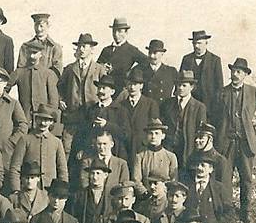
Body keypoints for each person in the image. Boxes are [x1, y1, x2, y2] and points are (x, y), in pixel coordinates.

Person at [217, 57, 256, 223]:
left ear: (245, 74)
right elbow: (215, 115)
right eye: (233, 71)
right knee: (225, 178)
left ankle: (245, 213)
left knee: (246, 178)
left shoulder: (253, 91)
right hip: (226, 142)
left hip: (245, 143)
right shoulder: (222, 92)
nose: (235, 74)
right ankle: (226, 212)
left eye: (239, 72)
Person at [59, 33, 109, 162]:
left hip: (91, 116)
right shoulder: (70, 69)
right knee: (67, 149)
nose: (81, 49)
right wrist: (61, 100)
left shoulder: (99, 69)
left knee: (89, 149)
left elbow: (106, 88)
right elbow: (60, 87)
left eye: (85, 46)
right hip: (72, 116)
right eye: (79, 46)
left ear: (91, 49)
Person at [7, 105, 67, 193]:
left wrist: (62, 191)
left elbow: (62, 170)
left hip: (49, 193)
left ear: (51, 122)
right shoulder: (25, 140)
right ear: (36, 119)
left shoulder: (56, 142)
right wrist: (16, 190)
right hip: (27, 191)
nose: (43, 123)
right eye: (40, 119)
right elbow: (15, 167)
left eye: (46, 120)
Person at [12, 42, 61, 137]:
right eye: (29, 53)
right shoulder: (19, 72)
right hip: (24, 119)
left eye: (35, 53)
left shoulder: (48, 74)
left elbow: (53, 101)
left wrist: (50, 122)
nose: (32, 56)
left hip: (42, 121)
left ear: (41, 54)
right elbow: (4, 88)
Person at [160, 71, 208, 167]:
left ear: (192, 87)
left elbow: (201, 132)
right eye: (178, 85)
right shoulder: (167, 104)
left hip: (188, 151)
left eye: (184, 85)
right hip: (168, 149)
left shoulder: (199, 107)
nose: (180, 88)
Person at [114, 66, 160, 164]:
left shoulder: (150, 104)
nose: (132, 87)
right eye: (130, 84)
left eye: (135, 84)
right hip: (124, 150)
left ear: (141, 86)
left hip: (143, 148)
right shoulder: (121, 105)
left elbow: (154, 128)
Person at [179, 30, 224, 126]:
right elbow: (180, 81)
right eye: (194, 43)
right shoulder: (186, 59)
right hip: (190, 104)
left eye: (199, 43)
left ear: (206, 43)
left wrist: (215, 107)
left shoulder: (215, 60)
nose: (196, 46)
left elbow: (219, 86)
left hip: (209, 106)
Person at [186, 152, 233, 223]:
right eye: (197, 165)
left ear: (210, 169)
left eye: (203, 165)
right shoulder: (187, 185)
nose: (199, 168)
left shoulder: (218, 188)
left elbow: (229, 210)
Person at [96, 17, 149, 93]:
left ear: (126, 32)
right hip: (106, 90)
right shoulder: (106, 50)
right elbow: (97, 67)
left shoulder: (131, 49)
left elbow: (146, 61)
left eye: (120, 31)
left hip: (121, 89)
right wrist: (103, 67)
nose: (116, 34)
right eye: (114, 31)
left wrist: (131, 72)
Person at [68, 157, 112, 223]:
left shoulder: (111, 197)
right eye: (92, 173)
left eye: (98, 173)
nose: (95, 177)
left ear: (105, 175)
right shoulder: (79, 196)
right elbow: (73, 219)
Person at [132, 118, 178, 188]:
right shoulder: (140, 156)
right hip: (146, 195)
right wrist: (145, 193)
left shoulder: (171, 156)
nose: (153, 137)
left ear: (163, 136)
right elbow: (136, 180)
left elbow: (174, 180)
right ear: (146, 136)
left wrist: (163, 192)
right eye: (150, 133)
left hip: (165, 195)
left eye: (157, 133)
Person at [17, 12, 64, 76]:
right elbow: (20, 70)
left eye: (41, 26)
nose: (38, 29)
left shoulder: (55, 48)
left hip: (48, 85)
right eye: (36, 25)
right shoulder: (25, 47)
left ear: (48, 26)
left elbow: (57, 72)